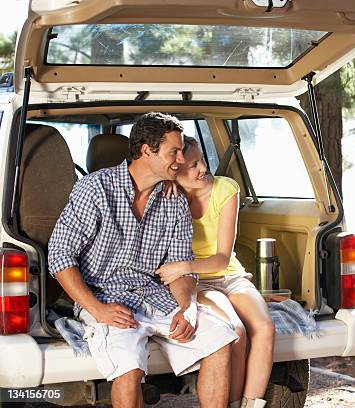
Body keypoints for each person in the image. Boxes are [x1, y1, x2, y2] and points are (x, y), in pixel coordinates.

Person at [48, 113, 238, 408]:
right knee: (129, 366)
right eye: (174, 151)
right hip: (106, 298)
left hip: (155, 297)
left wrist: (186, 308)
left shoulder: (173, 199)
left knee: (220, 340)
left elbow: (181, 266)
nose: (181, 158)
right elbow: (60, 255)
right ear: (147, 151)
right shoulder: (96, 189)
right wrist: (97, 309)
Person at [156, 136, 274, 408]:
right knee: (236, 331)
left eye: (201, 160)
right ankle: (231, 403)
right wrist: (185, 271)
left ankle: (252, 404)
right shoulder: (165, 195)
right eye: (191, 166)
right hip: (197, 283)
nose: (202, 170)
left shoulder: (226, 189)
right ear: (174, 171)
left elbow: (222, 259)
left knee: (265, 328)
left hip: (229, 274)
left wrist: (184, 265)